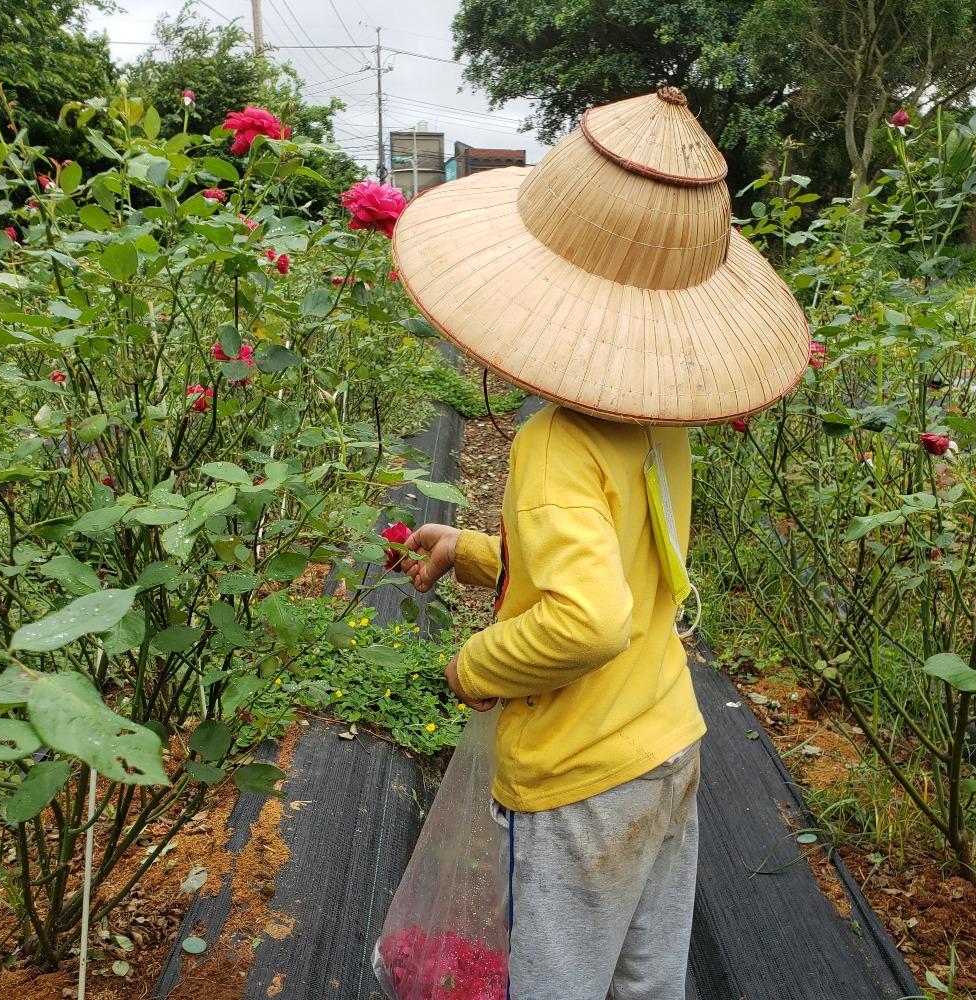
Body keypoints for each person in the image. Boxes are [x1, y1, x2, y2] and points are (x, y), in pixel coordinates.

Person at [392, 86, 809, 1000]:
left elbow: (587, 619)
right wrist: (474, 550)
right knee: (647, 980)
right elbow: (618, 571)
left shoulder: (554, 442)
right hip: (665, 745)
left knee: (555, 984)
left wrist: (474, 666)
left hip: (577, 781)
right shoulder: (656, 423)